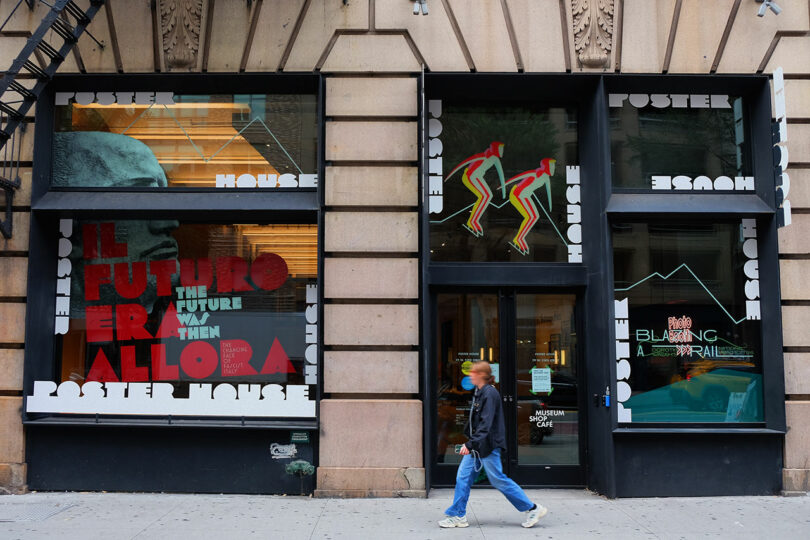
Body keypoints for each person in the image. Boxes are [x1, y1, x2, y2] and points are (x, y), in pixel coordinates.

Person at [439, 361, 548, 529]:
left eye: (473, 372)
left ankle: (533, 508)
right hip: (478, 445)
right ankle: (457, 515)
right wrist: (471, 441)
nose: (470, 375)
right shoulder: (479, 391)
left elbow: (486, 424)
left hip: (487, 446)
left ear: (482, 375)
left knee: (498, 480)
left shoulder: (489, 394)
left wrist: (470, 443)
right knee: (463, 477)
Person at [444, 142, 506, 237]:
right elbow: (463, 163)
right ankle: (473, 220)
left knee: (487, 196)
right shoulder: (483, 156)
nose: (502, 151)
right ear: (495, 149)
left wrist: (504, 191)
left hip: (477, 177)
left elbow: (501, 174)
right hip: (469, 176)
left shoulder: (495, 159)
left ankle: (473, 220)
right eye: (500, 148)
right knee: (486, 196)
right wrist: (448, 178)